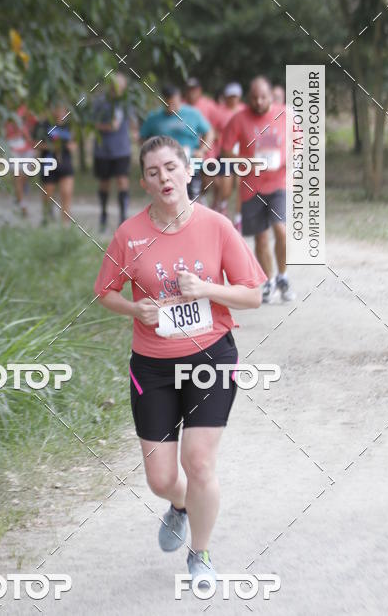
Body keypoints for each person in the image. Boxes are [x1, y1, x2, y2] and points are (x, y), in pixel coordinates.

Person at [94, 135, 266, 588]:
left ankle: (201, 554)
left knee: (199, 462)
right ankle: (180, 504)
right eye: (153, 172)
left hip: (211, 357)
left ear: (189, 171)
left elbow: (252, 295)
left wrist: (206, 289)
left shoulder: (217, 226)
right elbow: (105, 292)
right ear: (144, 183)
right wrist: (135, 309)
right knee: (161, 477)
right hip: (152, 366)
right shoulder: (129, 235)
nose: (164, 177)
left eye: (171, 167)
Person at [221, 76, 295, 303]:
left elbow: (298, 142)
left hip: (278, 182)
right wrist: (247, 160)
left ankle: (283, 276)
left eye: (263, 97)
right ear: (248, 98)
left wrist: (289, 159)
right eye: (254, 98)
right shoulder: (239, 119)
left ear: (271, 96)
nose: (259, 102)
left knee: (281, 230)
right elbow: (225, 151)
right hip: (251, 186)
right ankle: (269, 281)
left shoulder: (286, 114)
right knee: (261, 238)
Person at [140, 84, 214, 201]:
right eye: (168, 103)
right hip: (165, 164)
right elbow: (143, 137)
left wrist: (202, 150)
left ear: (180, 99)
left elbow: (209, 132)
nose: (171, 107)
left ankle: (198, 204)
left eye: (174, 103)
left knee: (193, 195)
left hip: (191, 159)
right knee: (171, 196)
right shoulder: (154, 118)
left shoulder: (193, 114)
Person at [92, 72, 136, 231]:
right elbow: (91, 122)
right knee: (104, 183)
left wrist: (134, 132)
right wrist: (106, 126)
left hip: (122, 149)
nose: (117, 89)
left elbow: (133, 122)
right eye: (115, 86)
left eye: (121, 86)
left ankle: (123, 216)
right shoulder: (100, 102)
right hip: (103, 150)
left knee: (122, 181)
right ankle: (103, 214)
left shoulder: (126, 103)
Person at [33, 104, 76, 225]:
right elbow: (36, 144)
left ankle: (65, 224)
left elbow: (75, 143)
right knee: (48, 194)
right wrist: (52, 147)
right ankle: (47, 218)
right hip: (48, 163)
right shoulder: (44, 125)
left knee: (66, 193)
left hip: (65, 163)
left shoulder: (71, 125)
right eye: (58, 109)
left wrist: (72, 146)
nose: (60, 112)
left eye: (63, 110)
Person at [212, 83, 246, 226]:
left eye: (235, 96)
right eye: (230, 96)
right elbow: (212, 132)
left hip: (242, 154)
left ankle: (238, 218)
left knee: (242, 186)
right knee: (225, 186)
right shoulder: (219, 112)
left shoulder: (245, 110)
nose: (233, 99)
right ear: (226, 97)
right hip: (225, 154)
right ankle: (221, 206)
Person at [4, 103, 37, 215]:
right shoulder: (5, 112)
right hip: (13, 148)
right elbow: (5, 134)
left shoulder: (26, 108)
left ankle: (19, 195)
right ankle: (23, 206)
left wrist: (29, 137)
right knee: (17, 177)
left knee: (24, 176)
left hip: (26, 148)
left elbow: (33, 124)